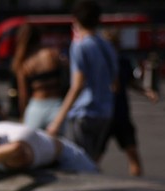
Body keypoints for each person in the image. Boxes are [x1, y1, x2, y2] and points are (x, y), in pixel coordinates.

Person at [45, 0, 118, 162]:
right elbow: (115, 79)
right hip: (105, 111)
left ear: (75, 20)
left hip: (84, 112)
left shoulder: (79, 46)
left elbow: (77, 85)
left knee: (76, 161)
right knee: (91, 160)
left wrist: (57, 120)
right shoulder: (106, 45)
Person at [97, 28, 159, 177]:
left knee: (132, 153)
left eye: (114, 45)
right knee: (94, 157)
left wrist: (146, 92)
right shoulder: (100, 64)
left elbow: (130, 83)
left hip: (121, 115)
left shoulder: (123, 62)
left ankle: (137, 186)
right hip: (104, 115)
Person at [11, 24, 67, 132]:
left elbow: (23, 95)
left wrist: (23, 114)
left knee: (33, 145)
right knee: (57, 145)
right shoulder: (52, 54)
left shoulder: (24, 63)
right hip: (56, 105)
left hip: (36, 107)